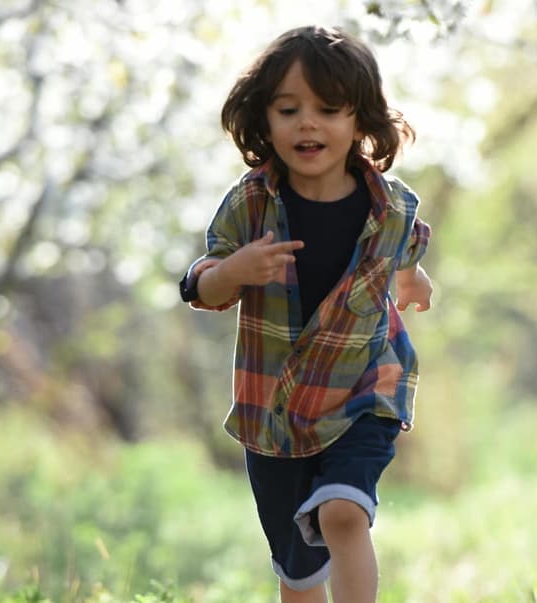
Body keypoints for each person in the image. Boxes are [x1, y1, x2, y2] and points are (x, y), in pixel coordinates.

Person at [179, 25, 433, 603]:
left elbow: (407, 249)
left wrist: (414, 279)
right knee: (298, 574)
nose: (307, 123)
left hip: (365, 390)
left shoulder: (391, 205)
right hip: (276, 411)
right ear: (263, 121)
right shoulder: (251, 203)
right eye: (288, 109)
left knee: (343, 514)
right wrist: (235, 271)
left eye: (328, 108)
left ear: (360, 121)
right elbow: (201, 285)